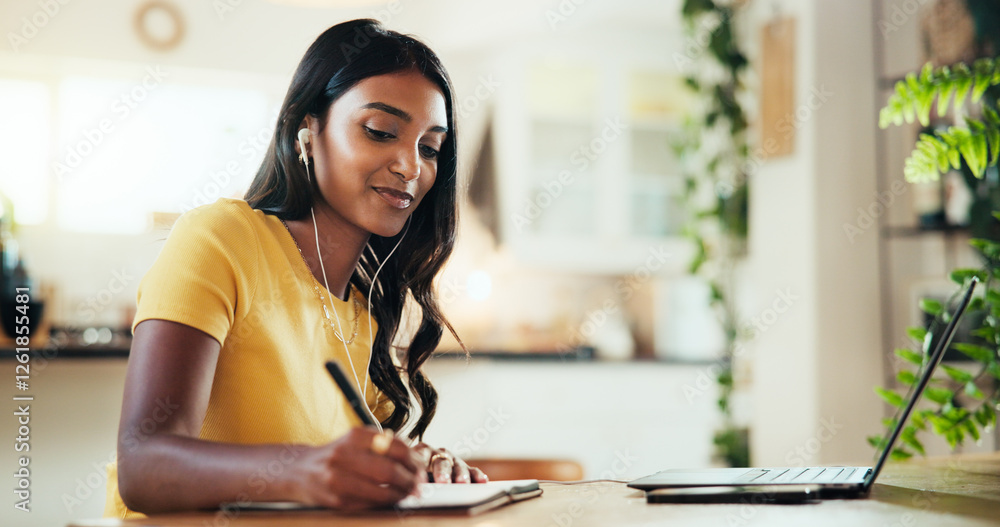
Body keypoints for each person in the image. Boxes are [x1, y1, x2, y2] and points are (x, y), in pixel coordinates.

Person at [105, 19, 487, 518]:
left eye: (430, 148)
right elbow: (144, 466)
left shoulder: (363, 309)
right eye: (380, 131)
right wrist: (309, 470)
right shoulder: (221, 238)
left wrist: (412, 464)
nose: (411, 166)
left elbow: (339, 473)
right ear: (308, 130)